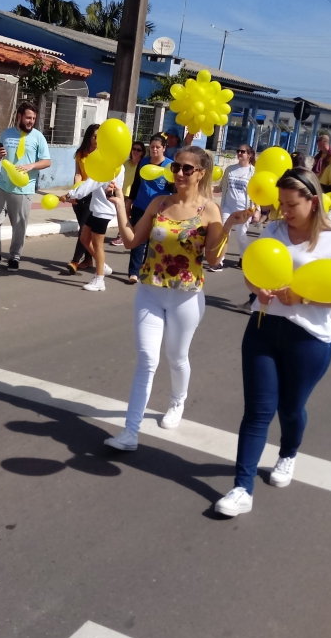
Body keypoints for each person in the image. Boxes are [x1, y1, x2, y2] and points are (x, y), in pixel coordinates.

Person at [215, 167, 331, 517]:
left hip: (308, 338)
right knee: (258, 411)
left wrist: (303, 297)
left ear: (313, 201)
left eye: (292, 204)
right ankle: (242, 488)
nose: (284, 210)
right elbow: (253, 271)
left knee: (291, 409)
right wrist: (257, 288)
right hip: (263, 329)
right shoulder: (274, 230)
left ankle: (288, 453)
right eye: (281, 203)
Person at [105, 147, 248, 450]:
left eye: (187, 169)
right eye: (176, 168)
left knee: (177, 357)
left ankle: (177, 401)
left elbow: (214, 258)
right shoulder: (159, 203)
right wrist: (119, 206)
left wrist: (229, 225)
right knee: (147, 360)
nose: (179, 173)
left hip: (186, 298)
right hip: (150, 291)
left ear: (201, 173)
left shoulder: (209, 210)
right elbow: (132, 240)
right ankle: (130, 432)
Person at [0, 101, 50, 271]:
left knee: (19, 225)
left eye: (33, 118)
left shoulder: (38, 137)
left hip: (24, 188)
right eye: (28, 118)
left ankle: (14, 257)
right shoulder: (6, 134)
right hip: (2, 184)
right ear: (19, 116)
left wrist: (31, 166)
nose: (31, 121)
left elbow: (47, 161)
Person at [62, 151, 122, 292]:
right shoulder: (116, 165)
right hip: (96, 208)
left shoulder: (107, 166)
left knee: (97, 245)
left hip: (103, 210)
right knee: (84, 238)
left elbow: (90, 184)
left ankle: (99, 280)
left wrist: (69, 195)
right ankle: (102, 265)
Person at [124, 133, 173, 284]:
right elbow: (136, 184)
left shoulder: (170, 166)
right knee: (138, 240)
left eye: (158, 147)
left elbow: (174, 189)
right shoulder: (143, 162)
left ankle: (146, 269)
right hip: (140, 206)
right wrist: (128, 203)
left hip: (160, 209)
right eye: (152, 147)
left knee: (154, 241)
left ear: (164, 148)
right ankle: (134, 272)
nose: (154, 150)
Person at [210, 143, 256, 270]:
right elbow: (221, 187)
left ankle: (243, 258)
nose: (239, 153)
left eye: (242, 151)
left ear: (249, 155)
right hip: (228, 207)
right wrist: (207, 188)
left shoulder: (253, 172)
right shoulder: (230, 169)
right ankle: (219, 261)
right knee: (224, 232)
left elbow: (257, 193)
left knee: (241, 234)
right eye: (238, 151)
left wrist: (257, 210)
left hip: (244, 208)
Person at [63, 123, 99, 275]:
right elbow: (78, 174)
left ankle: (75, 261)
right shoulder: (81, 153)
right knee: (85, 229)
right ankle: (88, 260)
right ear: (89, 137)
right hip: (80, 195)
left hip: (93, 195)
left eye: (100, 137)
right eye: (95, 136)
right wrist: (75, 192)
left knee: (84, 229)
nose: (97, 139)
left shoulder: (102, 155)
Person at [114, 141, 146, 246]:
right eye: (134, 149)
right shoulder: (125, 164)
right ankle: (124, 236)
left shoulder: (143, 165)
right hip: (122, 193)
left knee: (128, 216)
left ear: (142, 152)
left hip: (134, 195)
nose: (135, 151)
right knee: (122, 215)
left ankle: (123, 237)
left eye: (138, 150)